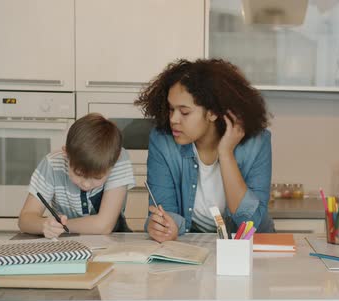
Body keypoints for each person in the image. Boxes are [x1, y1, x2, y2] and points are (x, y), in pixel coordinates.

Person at [135, 58, 274, 242]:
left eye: (184, 112)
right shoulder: (162, 141)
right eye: (170, 109)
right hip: (192, 246)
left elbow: (249, 223)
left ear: (213, 112)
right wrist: (164, 226)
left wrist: (226, 154)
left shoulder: (257, 143)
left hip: (252, 249)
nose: (174, 119)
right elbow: (165, 212)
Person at [19, 113, 135, 238]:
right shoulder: (51, 165)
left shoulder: (117, 158)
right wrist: (44, 224)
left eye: (97, 177)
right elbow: (25, 220)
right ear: (66, 154)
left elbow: (104, 225)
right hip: (67, 243)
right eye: (79, 174)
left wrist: (63, 226)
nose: (85, 184)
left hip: (113, 243)